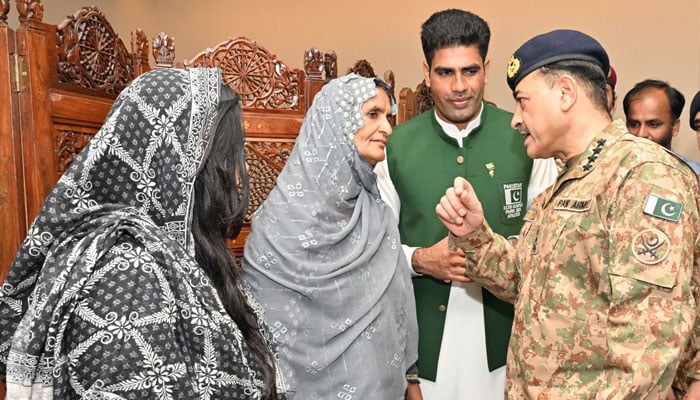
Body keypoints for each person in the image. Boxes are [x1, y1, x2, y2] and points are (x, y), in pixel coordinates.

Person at [435, 29, 700, 398]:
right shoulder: (565, 183)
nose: (516, 119)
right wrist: (474, 234)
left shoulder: (642, 175)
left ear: (564, 92)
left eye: (523, 101)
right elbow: (523, 283)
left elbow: (646, 349)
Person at [0, 68, 284, 399]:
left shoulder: (182, 252)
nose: (240, 177)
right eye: (231, 156)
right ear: (178, 161)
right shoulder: (127, 271)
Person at [374, 8, 558, 399]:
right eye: (445, 73)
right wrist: (422, 260)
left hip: (508, 346)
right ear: (427, 72)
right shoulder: (394, 145)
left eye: (470, 71)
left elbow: (545, 247)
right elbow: (374, 249)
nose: (459, 86)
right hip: (422, 348)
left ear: (487, 68)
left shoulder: (527, 139)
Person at [243, 74, 418, 400]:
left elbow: (397, 305)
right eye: (373, 114)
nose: (388, 128)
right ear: (337, 122)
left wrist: (412, 380)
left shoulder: (374, 209)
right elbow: (265, 330)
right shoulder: (279, 223)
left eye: (388, 116)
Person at [623, 79, 700, 173]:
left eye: (653, 124)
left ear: (675, 127)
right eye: (634, 124)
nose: (641, 134)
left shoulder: (693, 175)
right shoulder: (611, 172)